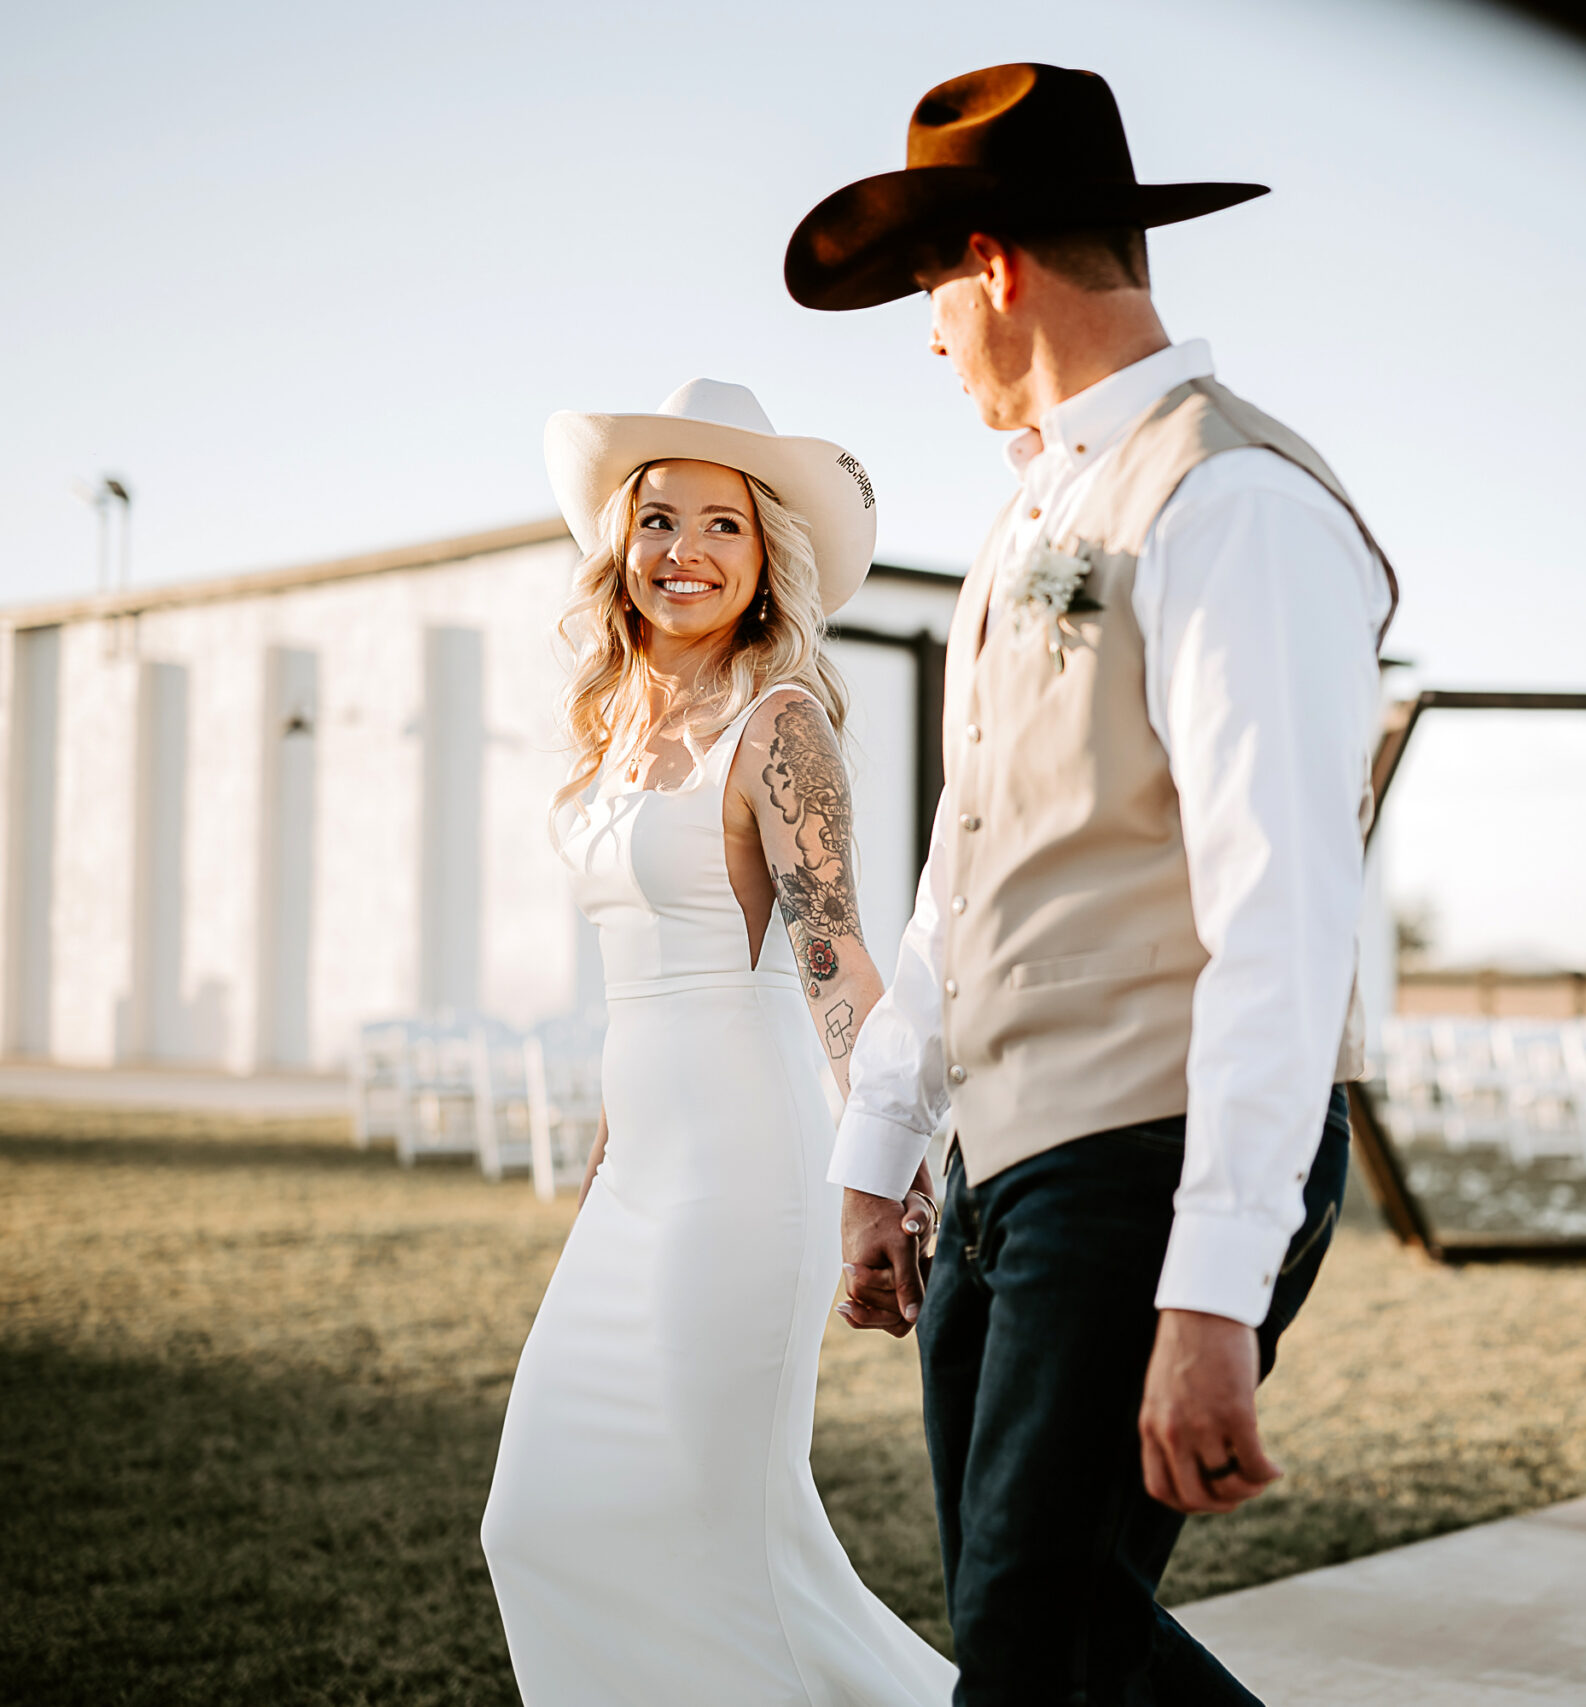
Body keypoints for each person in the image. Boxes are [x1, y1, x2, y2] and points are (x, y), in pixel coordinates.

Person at [787, 63, 1399, 1706]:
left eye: (926, 287)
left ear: (990, 267)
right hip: (1007, 1166)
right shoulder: (1023, 520)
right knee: (1046, 1636)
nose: (925, 333)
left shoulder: (1237, 501)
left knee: (1032, 1650)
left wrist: (1210, 1292)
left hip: (1153, 1152)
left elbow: (1283, 916)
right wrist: (885, 1149)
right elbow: (966, 870)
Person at [481, 378, 954, 1706]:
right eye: (657, 521)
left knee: (717, 1549)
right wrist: (601, 1159)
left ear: (765, 562)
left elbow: (836, 963)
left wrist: (890, 1158)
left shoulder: (780, 726)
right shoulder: (614, 733)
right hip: (634, 1182)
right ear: (620, 551)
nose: (682, 550)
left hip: (747, 1177)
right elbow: (639, 991)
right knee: (538, 1522)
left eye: (721, 527)